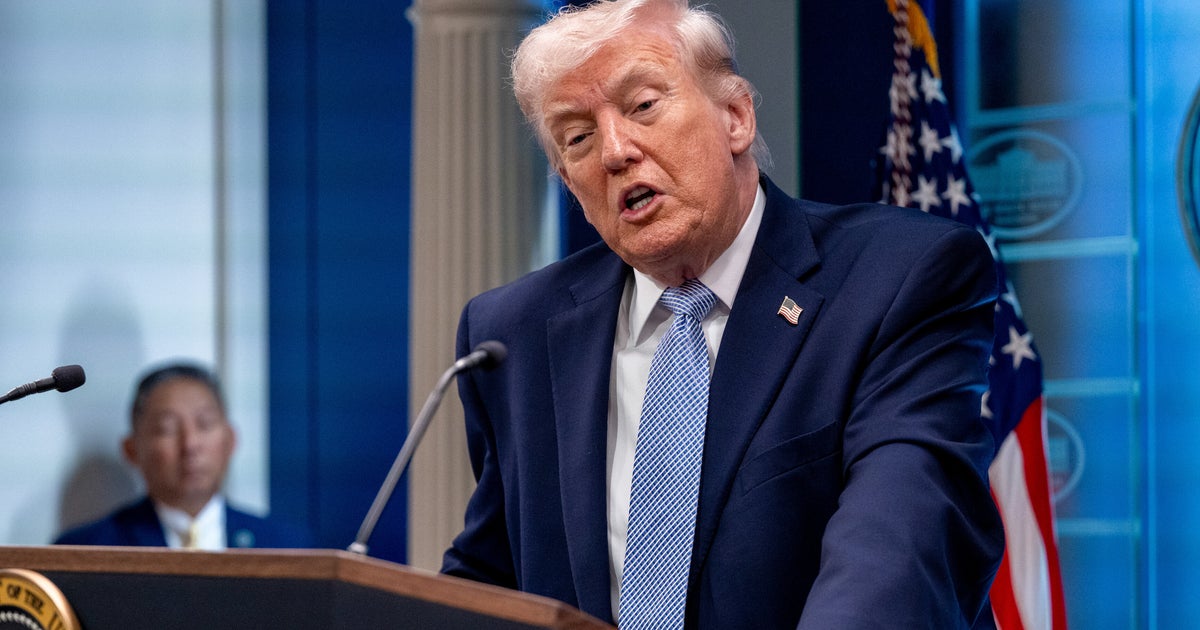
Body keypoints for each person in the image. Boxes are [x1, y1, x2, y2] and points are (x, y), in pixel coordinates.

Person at [441, 0, 1004, 628]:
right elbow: (490, 581)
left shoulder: (897, 279)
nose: (614, 151)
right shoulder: (513, 335)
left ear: (735, 117)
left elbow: (899, 547)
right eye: (578, 138)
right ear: (570, 183)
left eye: (642, 106)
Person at [54, 362, 312, 550]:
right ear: (131, 450)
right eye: (167, 429)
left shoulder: (290, 548)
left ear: (230, 440)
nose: (190, 444)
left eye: (204, 424)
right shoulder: (87, 550)